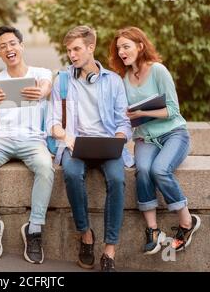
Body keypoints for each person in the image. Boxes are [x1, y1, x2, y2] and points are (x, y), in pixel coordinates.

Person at [108, 26, 200, 256]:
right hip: (145, 138)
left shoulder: (158, 70)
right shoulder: (123, 79)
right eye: (118, 48)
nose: (121, 51)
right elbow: (124, 118)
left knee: (159, 170)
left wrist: (140, 113)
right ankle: (153, 230)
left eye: (126, 46)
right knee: (144, 169)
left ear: (140, 46)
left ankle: (187, 222)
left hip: (173, 134)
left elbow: (172, 109)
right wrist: (127, 118)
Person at [48, 25, 133, 272]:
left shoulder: (114, 81)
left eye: (76, 49)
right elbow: (53, 123)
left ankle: (109, 249)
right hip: (76, 145)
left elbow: (123, 122)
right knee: (72, 174)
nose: (72, 55)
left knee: (117, 180)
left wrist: (117, 141)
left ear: (91, 47)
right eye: (69, 50)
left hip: (107, 144)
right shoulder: (62, 81)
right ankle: (86, 235)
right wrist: (68, 137)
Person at [0, 25, 54, 264]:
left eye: (12, 44)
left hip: (33, 140)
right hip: (2, 139)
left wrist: (40, 92)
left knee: (45, 167)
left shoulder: (41, 73)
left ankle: (35, 228)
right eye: (2, 47)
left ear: (21, 46)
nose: (8, 49)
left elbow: (47, 86)